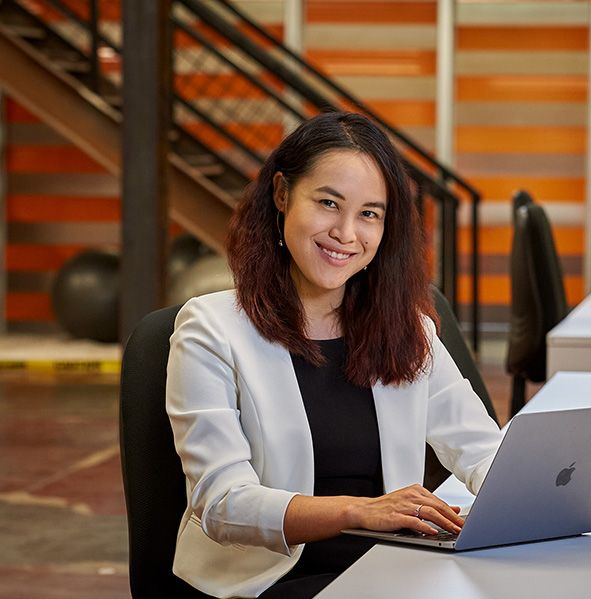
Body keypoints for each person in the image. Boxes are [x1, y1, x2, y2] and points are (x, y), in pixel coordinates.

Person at [166, 112, 503, 599]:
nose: (347, 233)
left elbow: (482, 450)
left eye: (370, 213)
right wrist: (358, 511)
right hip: (269, 581)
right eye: (328, 203)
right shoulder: (210, 330)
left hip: (388, 570)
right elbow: (221, 504)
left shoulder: (407, 328)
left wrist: (520, 503)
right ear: (282, 196)